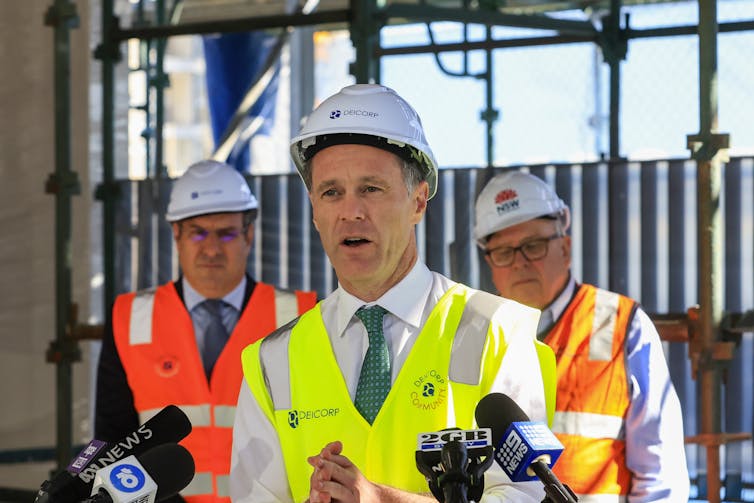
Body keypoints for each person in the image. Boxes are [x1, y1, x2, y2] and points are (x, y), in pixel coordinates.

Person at [230, 83, 557, 503]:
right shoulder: (272, 362)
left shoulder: (497, 333)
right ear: (313, 209)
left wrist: (382, 500)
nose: (351, 211)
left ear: (419, 201)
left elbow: (525, 498)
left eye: (371, 188)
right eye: (332, 192)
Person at [95, 160, 317, 503]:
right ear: (176, 235)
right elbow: (110, 440)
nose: (211, 249)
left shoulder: (300, 316)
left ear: (249, 234)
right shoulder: (130, 318)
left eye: (226, 233)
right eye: (198, 232)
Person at [473, 170, 690, 501]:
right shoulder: (471, 332)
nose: (520, 263)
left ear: (566, 246)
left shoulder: (620, 325)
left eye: (533, 246)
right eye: (503, 251)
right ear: (489, 261)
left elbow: (660, 477)